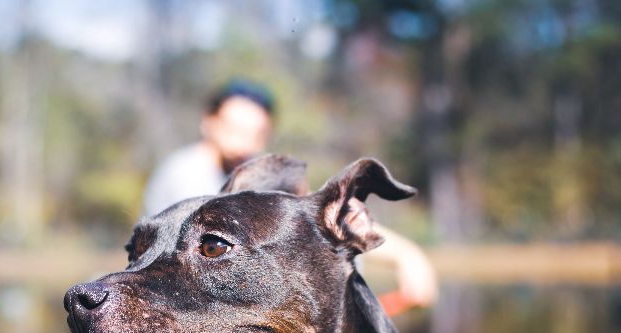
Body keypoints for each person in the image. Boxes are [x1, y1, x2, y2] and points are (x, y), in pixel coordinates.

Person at [142, 79, 438, 309]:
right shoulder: (185, 175)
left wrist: (405, 255)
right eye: (235, 129)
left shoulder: (257, 173)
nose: (245, 143)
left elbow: (317, 219)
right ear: (209, 122)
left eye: (256, 134)